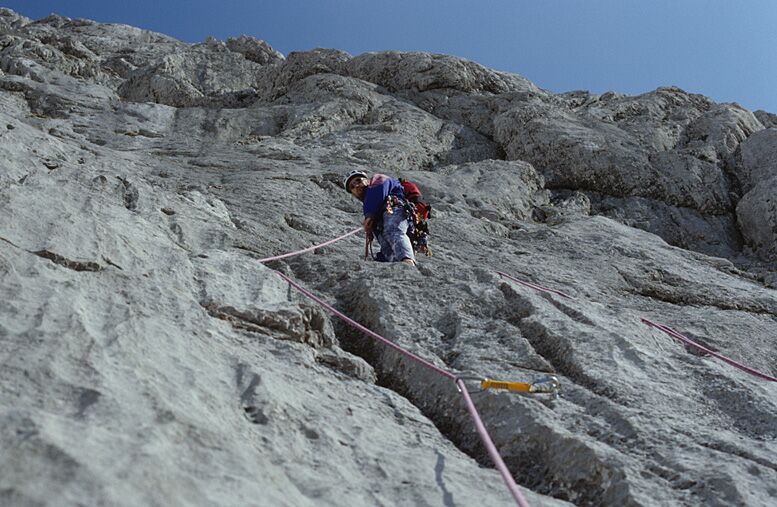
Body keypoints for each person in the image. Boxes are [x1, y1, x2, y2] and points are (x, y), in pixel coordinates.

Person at [343, 170, 416, 266]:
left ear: (367, 180)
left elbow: (379, 190)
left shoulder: (377, 179)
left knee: (392, 230)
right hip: (383, 217)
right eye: (352, 187)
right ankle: (394, 264)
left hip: (394, 208)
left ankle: (407, 260)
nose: (356, 185)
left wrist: (369, 215)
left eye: (358, 180)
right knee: (385, 242)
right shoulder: (369, 206)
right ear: (352, 193)